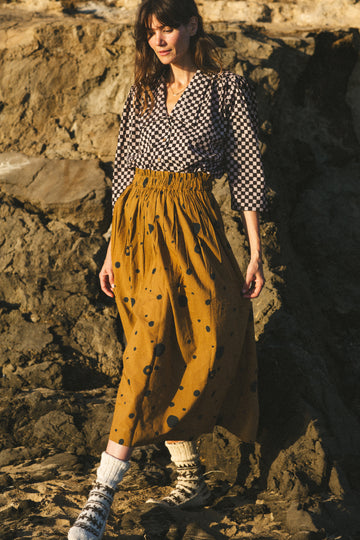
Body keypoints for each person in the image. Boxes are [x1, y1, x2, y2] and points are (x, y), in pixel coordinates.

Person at [68, 0, 266, 538]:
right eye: (151, 31)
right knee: (149, 343)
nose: (159, 40)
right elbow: (125, 171)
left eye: (169, 27)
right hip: (137, 230)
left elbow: (248, 170)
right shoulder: (143, 91)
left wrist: (254, 251)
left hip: (193, 222)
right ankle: (104, 495)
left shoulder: (225, 88)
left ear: (193, 25)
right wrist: (111, 248)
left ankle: (169, 479)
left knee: (198, 338)